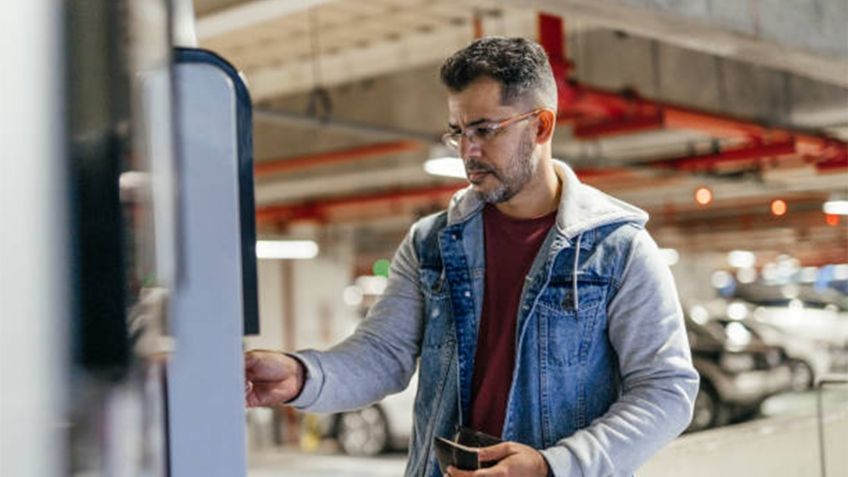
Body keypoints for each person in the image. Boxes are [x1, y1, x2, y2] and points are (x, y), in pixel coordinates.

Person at [245, 37, 699, 477]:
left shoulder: (618, 250)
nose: (468, 151)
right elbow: (382, 354)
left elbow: (665, 389)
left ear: (541, 126)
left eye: (484, 130)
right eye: (458, 132)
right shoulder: (432, 244)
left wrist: (553, 466)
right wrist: (301, 375)